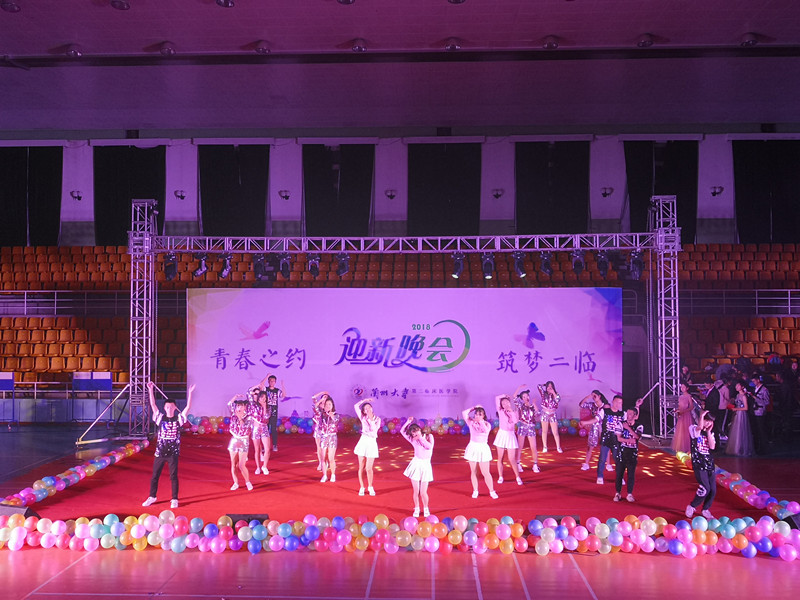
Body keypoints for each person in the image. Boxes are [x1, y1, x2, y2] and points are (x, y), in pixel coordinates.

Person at [142, 381, 194, 509]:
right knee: (155, 475)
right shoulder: (160, 418)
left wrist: (190, 393)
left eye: (171, 407)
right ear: (164, 408)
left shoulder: (179, 419)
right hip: (160, 452)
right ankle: (152, 496)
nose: (169, 408)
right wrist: (150, 389)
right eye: (167, 407)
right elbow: (153, 404)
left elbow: (188, 407)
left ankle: (174, 499)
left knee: (173, 476)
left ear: (175, 407)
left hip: (173, 454)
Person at [685, 410, 717, 520]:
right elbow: (698, 429)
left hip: (709, 463)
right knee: (705, 488)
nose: (708, 423)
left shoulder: (710, 433)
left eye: (710, 421)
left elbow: (712, 447)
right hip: (699, 463)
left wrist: (708, 432)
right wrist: (702, 416)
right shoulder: (693, 428)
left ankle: (706, 509)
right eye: (706, 420)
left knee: (713, 489)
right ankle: (692, 506)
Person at [400, 417, 434, 518]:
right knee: (416, 491)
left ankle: (426, 508)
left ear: (419, 429)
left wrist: (420, 438)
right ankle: (417, 508)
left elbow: (429, 447)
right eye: (413, 435)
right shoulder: (413, 440)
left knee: (423, 492)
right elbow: (402, 431)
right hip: (416, 464)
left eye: (416, 432)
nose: (415, 435)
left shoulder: (429, 436)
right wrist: (408, 422)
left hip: (426, 465)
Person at [462, 405, 498, 499]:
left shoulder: (487, 424)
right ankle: (475, 490)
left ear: (483, 416)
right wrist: (474, 407)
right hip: (473, 447)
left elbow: (484, 430)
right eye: (476, 414)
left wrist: (480, 422)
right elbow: (464, 413)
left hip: (483, 448)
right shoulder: (471, 422)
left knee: (486, 472)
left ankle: (492, 491)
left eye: (480, 414)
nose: (477, 416)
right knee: (473, 471)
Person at [614, 408, 643, 502]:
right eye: (627, 413)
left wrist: (628, 428)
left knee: (631, 474)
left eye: (630, 414)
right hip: (622, 451)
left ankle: (629, 494)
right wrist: (628, 440)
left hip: (632, 452)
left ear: (635, 416)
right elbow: (619, 438)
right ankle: (617, 493)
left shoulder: (639, 426)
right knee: (619, 474)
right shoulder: (620, 424)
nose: (628, 415)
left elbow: (637, 437)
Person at [493, 394, 523, 485]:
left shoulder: (515, 412)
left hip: (510, 435)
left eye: (507, 402)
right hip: (502, 435)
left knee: (512, 459)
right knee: (500, 458)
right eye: (503, 403)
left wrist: (511, 411)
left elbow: (515, 421)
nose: (505, 404)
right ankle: (500, 476)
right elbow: (496, 398)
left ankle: (518, 477)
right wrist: (504, 395)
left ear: (510, 403)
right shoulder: (501, 411)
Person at [353, 397, 380, 496]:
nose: (368, 409)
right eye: (365, 409)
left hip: (372, 443)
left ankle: (370, 486)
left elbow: (374, 431)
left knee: (368, 468)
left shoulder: (377, 419)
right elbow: (356, 406)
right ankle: (361, 487)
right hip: (363, 441)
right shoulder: (363, 417)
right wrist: (365, 400)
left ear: (372, 408)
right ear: (363, 411)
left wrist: (371, 419)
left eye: (369, 407)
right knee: (361, 466)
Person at [227, 394, 254, 491]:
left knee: (241, 465)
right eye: (238, 406)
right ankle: (235, 483)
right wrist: (235, 396)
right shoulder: (233, 415)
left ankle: (248, 482)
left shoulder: (249, 417)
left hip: (244, 440)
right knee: (233, 464)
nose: (239, 408)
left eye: (241, 406)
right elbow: (229, 404)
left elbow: (245, 426)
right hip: (234, 439)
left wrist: (240, 418)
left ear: (245, 407)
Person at [313, 391, 339, 483]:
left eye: (329, 404)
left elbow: (336, 422)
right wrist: (321, 400)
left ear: (332, 405)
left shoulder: (336, 415)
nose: (328, 406)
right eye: (326, 404)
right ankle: (324, 475)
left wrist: (332, 416)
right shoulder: (321, 414)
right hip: (324, 437)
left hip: (332, 438)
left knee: (331, 458)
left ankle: (333, 474)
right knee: (323, 458)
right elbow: (315, 407)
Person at [514, 387, 540, 473]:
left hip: (531, 427)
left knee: (533, 447)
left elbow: (538, 414)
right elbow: (514, 397)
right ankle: (518, 464)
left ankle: (535, 465)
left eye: (527, 396)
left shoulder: (532, 406)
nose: (526, 398)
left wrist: (534, 404)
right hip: (522, 427)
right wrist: (520, 388)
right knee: (520, 446)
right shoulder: (520, 406)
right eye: (524, 397)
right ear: (522, 399)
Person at [578, 390, 606, 471]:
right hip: (594, 427)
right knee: (591, 445)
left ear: (599, 396)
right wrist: (587, 397)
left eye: (595, 396)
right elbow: (581, 405)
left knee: (605, 446)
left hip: (604, 427)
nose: (593, 398)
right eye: (592, 396)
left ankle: (608, 464)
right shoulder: (593, 405)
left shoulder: (605, 406)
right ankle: (586, 463)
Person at [725, 381, 754, 456]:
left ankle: (741, 449)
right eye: (736, 386)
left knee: (741, 430)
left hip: (742, 414)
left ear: (742, 387)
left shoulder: (744, 396)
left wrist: (736, 409)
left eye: (738, 386)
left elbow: (746, 408)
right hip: (737, 413)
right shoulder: (737, 395)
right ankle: (735, 448)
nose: (736, 387)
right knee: (736, 430)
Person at [248, 389, 272, 475]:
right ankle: (258, 467)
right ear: (258, 398)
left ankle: (264, 466)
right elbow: (248, 392)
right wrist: (257, 388)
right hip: (256, 429)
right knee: (257, 449)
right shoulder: (254, 405)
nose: (263, 399)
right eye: (262, 397)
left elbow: (266, 418)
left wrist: (264, 407)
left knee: (267, 449)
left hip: (264, 429)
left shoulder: (269, 407)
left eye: (265, 397)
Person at [538, 381, 563, 453]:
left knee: (555, 432)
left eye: (551, 386)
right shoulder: (544, 394)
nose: (549, 387)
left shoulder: (556, 394)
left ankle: (558, 447)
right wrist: (545, 384)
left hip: (552, 414)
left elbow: (558, 400)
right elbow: (539, 386)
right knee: (544, 431)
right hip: (544, 414)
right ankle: (545, 447)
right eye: (548, 386)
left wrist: (553, 393)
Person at [670, 382, 694, 454]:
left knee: (686, 430)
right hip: (681, 415)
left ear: (687, 388)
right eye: (681, 387)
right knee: (680, 430)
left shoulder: (689, 396)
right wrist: (677, 411)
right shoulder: (680, 397)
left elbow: (691, 407)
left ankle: (688, 447)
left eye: (684, 387)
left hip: (686, 415)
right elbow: (680, 406)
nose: (682, 389)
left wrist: (684, 411)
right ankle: (681, 446)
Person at [749, 375, 771, 454]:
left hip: (760, 411)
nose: (753, 382)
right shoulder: (755, 388)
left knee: (761, 431)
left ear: (758, 380)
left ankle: (764, 448)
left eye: (754, 381)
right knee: (756, 431)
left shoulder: (764, 390)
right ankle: (757, 447)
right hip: (754, 411)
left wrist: (756, 398)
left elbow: (767, 402)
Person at [263, 374, 284, 452]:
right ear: (268, 381)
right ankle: (265, 446)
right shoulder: (265, 389)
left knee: (273, 429)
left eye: (273, 381)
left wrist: (282, 386)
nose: (272, 382)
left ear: (275, 382)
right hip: (266, 411)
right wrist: (266, 376)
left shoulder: (277, 390)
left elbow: (283, 395)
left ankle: (275, 445)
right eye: (270, 381)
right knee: (266, 429)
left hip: (274, 412)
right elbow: (261, 385)